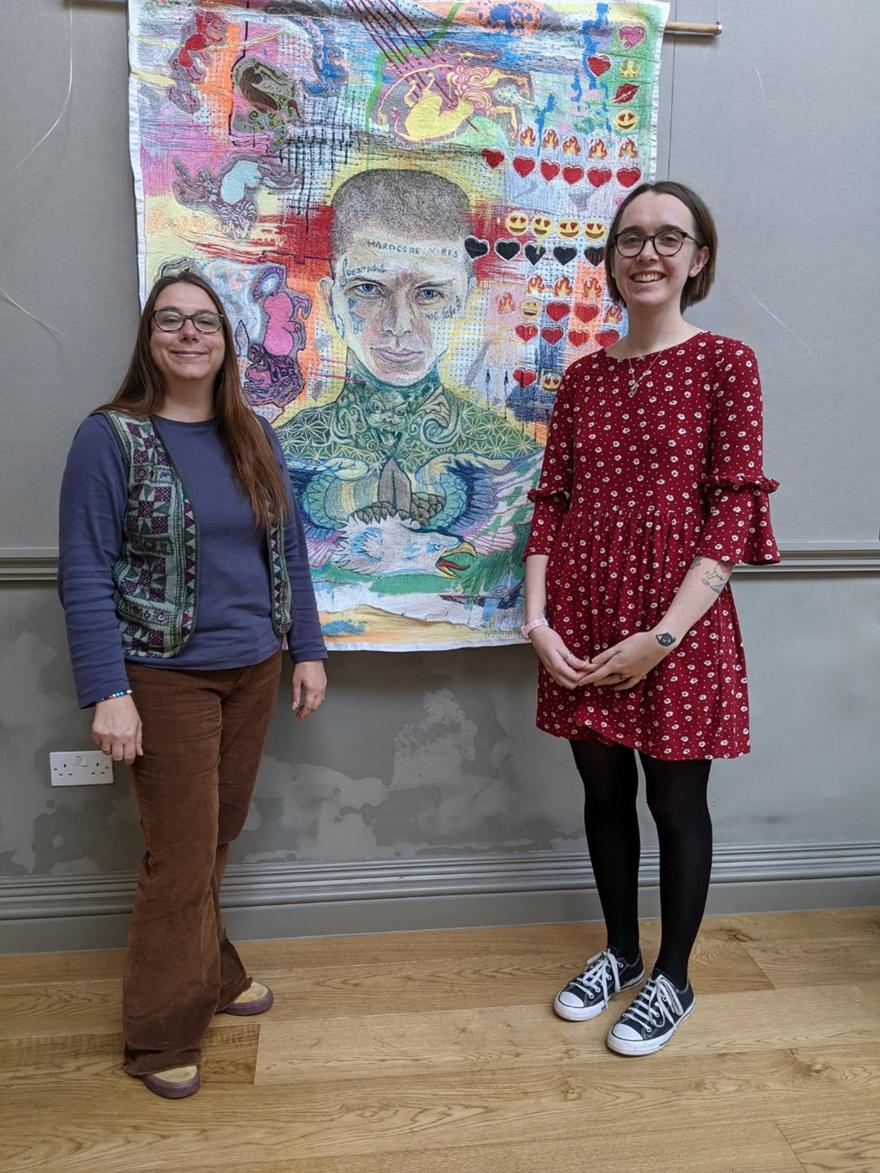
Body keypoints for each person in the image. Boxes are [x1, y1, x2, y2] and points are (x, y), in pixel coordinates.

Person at [522, 181, 779, 1056]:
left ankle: (674, 976)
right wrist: (538, 622)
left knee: (676, 801)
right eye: (630, 238)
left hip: (679, 621)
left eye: (670, 238)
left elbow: (734, 511)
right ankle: (620, 950)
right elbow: (550, 502)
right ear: (610, 259)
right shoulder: (585, 376)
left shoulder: (726, 363)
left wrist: (663, 634)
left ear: (698, 258)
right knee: (602, 793)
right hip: (582, 615)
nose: (647, 253)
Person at [58, 271, 327, 1098]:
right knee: (178, 856)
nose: (187, 333)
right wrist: (109, 688)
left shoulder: (253, 432)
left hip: (254, 670)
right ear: (150, 337)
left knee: (215, 834)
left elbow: (288, 551)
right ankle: (158, 1036)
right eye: (169, 319)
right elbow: (83, 569)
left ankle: (210, 973)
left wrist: (307, 649)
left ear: (224, 339)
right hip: (162, 676)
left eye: (203, 320)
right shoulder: (111, 438)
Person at [276, 167, 537, 535]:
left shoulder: (513, 455)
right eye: (368, 289)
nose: (398, 325)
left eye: (429, 294)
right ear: (330, 300)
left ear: (465, 301)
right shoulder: (280, 450)